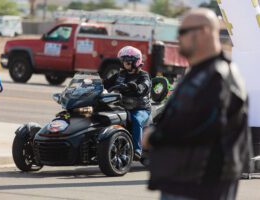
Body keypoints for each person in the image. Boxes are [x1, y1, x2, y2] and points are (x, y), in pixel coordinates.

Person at [142, 8, 251, 200]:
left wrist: (157, 137)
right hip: (184, 180)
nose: (178, 39)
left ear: (204, 32)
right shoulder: (200, 72)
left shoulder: (218, 75)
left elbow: (205, 123)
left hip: (200, 184)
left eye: (183, 32)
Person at [103, 46, 151, 161]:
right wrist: (94, 82)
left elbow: (144, 86)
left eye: (128, 62)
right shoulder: (120, 75)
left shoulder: (143, 75)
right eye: (124, 61)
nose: (126, 64)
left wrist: (136, 86)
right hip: (121, 105)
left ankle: (137, 150)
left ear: (136, 62)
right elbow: (106, 83)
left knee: (136, 119)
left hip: (140, 108)